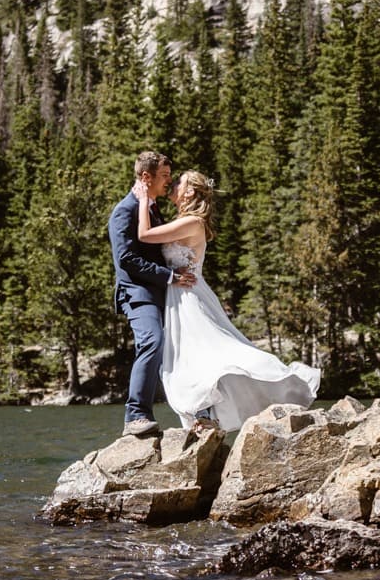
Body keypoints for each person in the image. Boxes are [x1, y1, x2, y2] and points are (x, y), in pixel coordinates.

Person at [134, 169, 318, 433]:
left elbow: (145, 235)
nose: (172, 184)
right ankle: (204, 414)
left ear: (189, 192)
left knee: (210, 352)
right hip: (179, 295)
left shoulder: (193, 222)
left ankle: (270, 385)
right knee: (192, 356)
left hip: (189, 297)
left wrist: (142, 199)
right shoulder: (184, 219)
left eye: (178, 182)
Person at [109, 152, 196, 436]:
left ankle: (200, 412)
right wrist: (170, 276)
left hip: (162, 294)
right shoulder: (125, 210)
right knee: (151, 341)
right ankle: (135, 416)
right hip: (137, 293)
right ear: (146, 177)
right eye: (164, 176)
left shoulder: (152, 208)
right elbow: (126, 259)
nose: (169, 182)